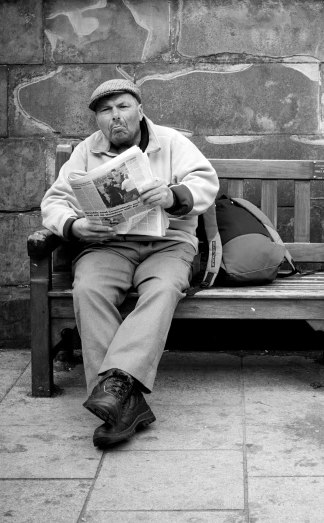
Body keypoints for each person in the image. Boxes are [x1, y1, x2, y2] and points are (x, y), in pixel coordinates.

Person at [41, 79, 219, 447]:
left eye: (122, 106)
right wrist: (75, 226)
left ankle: (115, 393)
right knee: (88, 288)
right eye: (105, 111)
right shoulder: (85, 151)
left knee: (164, 288)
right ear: (98, 120)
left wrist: (172, 195)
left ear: (139, 109)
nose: (115, 116)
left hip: (167, 244)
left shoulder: (171, 142)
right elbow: (54, 202)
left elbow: (205, 182)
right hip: (109, 245)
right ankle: (124, 400)